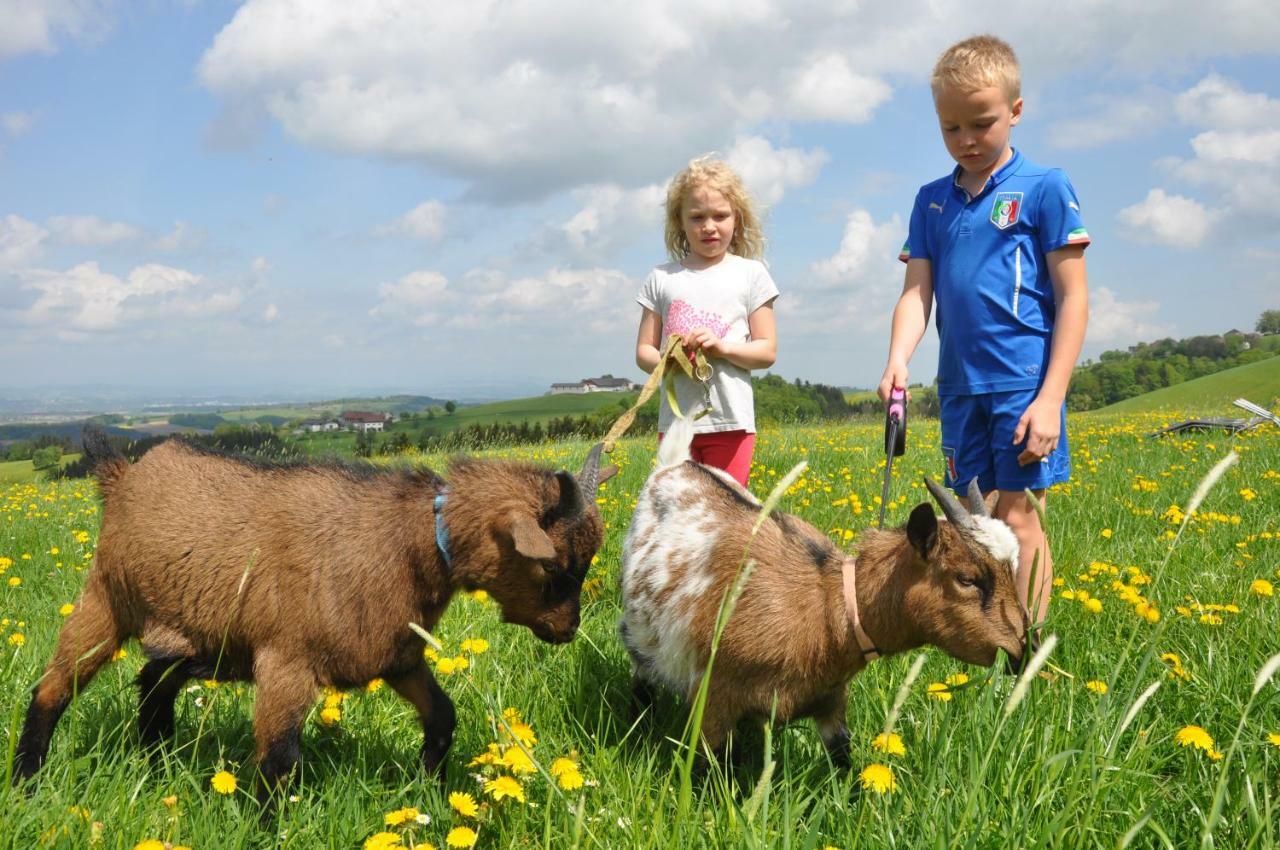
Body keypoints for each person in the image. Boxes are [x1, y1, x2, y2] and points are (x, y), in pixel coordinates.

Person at [878, 35, 1090, 625]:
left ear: (1015, 112)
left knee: (1019, 517)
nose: (967, 140)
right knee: (970, 524)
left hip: (1023, 385)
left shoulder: (1045, 187)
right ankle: (982, 633)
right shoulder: (930, 201)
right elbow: (917, 291)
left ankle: (1028, 642)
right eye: (951, 128)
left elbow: (1074, 297)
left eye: (982, 123)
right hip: (959, 388)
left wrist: (1051, 399)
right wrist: (899, 357)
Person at [635, 156, 778, 488]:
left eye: (720, 216)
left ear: (737, 219)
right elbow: (643, 351)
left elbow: (767, 351)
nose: (709, 226)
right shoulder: (661, 278)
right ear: (679, 222)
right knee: (677, 514)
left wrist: (721, 347)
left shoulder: (751, 275)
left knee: (728, 520)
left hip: (731, 423)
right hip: (675, 426)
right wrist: (668, 360)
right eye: (697, 217)